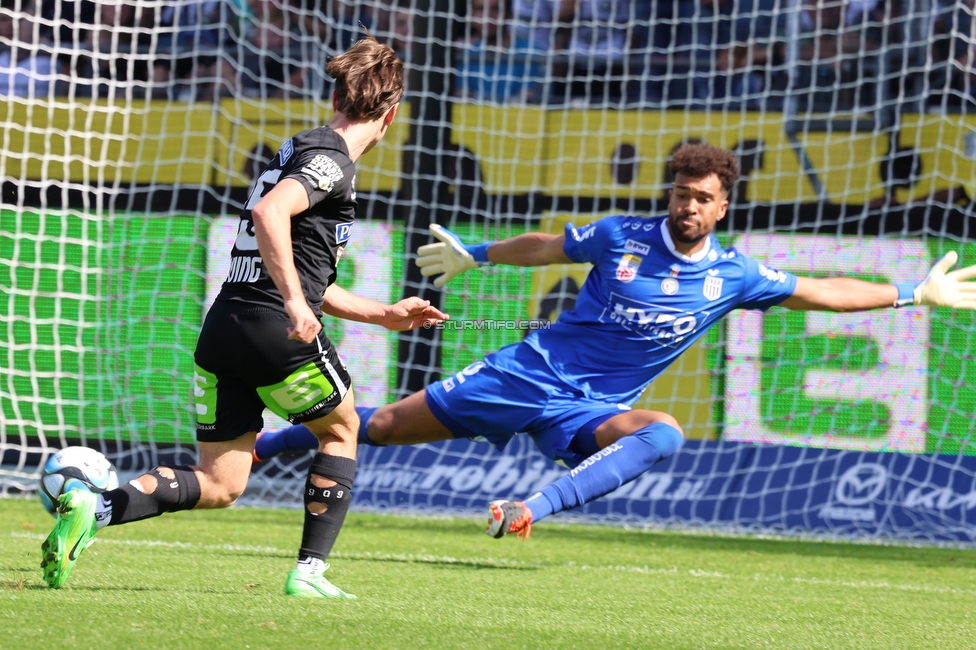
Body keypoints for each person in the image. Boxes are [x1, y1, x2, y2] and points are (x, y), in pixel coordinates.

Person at [253, 142, 976, 541]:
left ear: (723, 206)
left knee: (663, 433)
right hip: (526, 376)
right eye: (679, 194)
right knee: (375, 426)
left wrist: (913, 292)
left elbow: (825, 290)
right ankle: (255, 450)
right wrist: (478, 252)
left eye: (701, 199)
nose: (687, 207)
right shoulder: (620, 237)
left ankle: (530, 508)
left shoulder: (735, 274)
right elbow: (547, 246)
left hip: (590, 411)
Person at [40, 35, 447, 598]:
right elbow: (269, 213)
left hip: (226, 326)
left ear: (337, 96)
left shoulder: (305, 150)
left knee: (220, 482)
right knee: (343, 428)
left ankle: (96, 506)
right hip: (271, 327)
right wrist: (295, 304)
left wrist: (384, 313)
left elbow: (309, 276)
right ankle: (310, 573)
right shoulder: (330, 162)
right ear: (392, 115)